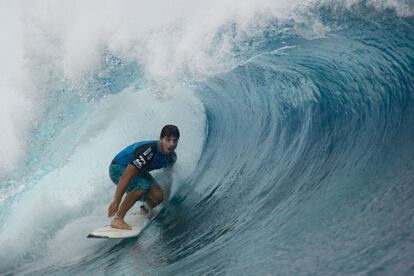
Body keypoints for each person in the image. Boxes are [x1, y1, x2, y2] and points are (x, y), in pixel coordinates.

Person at [107, 125, 179, 230]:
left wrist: (164, 202)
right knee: (142, 185)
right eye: (168, 140)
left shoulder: (171, 157)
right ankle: (118, 218)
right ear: (161, 139)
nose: (171, 144)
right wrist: (116, 201)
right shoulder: (149, 151)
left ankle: (145, 209)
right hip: (118, 168)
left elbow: (168, 179)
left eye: (174, 140)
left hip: (139, 171)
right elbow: (127, 176)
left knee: (158, 197)